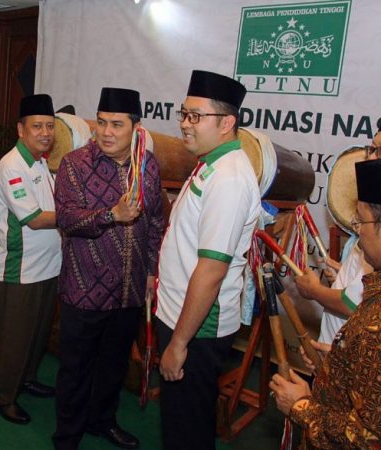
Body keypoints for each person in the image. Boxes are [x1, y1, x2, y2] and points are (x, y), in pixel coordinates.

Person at [52, 87, 164, 450]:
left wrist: (149, 272)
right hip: (84, 289)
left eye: (117, 124)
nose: (106, 132)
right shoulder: (74, 164)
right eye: (101, 123)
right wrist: (110, 215)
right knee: (75, 369)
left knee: (114, 365)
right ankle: (67, 435)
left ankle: (103, 420)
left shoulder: (147, 165)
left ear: (136, 126)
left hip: (129, 290)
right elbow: (67, 219)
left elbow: (155, 223)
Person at [156, 70, 260, 449]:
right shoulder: (210, 163)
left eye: (196, 116)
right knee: (179, 421)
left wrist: (179, 343)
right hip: (180, 314)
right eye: (183, 114)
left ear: (227, 122)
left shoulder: (229, 179)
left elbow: (212, 271)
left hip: (196, 329)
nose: (185, 124)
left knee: (189, 430)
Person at [270, 158, 381, 449]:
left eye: (361, 221)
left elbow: (368, 439)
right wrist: (338, 356)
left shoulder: (375, 327)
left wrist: (302, 405)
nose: (358, 230)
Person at [0, 94, 61, 425]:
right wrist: (79, 215)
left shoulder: (41, 161)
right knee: (15, 339)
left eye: (49, 126)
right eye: (37, 126)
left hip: (48, 266)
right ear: (21, 129)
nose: (45, 132)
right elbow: (33, 218)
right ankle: (3, 397)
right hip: (20, 269)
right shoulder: (12, 166)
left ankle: (27, 379)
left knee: (38, 332)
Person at [295, 132, 379, 344]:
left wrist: (314, 290)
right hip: (336, 346)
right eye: (372, 148)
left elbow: (353, 303)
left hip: (349, 352)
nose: (370, 157)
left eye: (379, 151)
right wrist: (344, 275)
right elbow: (362, 285)